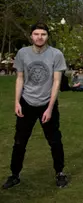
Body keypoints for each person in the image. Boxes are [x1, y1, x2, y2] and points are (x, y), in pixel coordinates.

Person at [3, 23, 69, 189]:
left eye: (43, 34)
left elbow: (56, 82)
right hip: (26, 103)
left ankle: (60, 173)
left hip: (47, 103)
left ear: (47, 36)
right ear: (31, 36)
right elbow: (19, 78)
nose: (40, 37)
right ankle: (14, 175)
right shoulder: (22, 53)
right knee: (19, 142)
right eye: (36, 34)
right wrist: (17, 102)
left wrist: (49, 108)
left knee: (55, 141)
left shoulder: (56, 54)